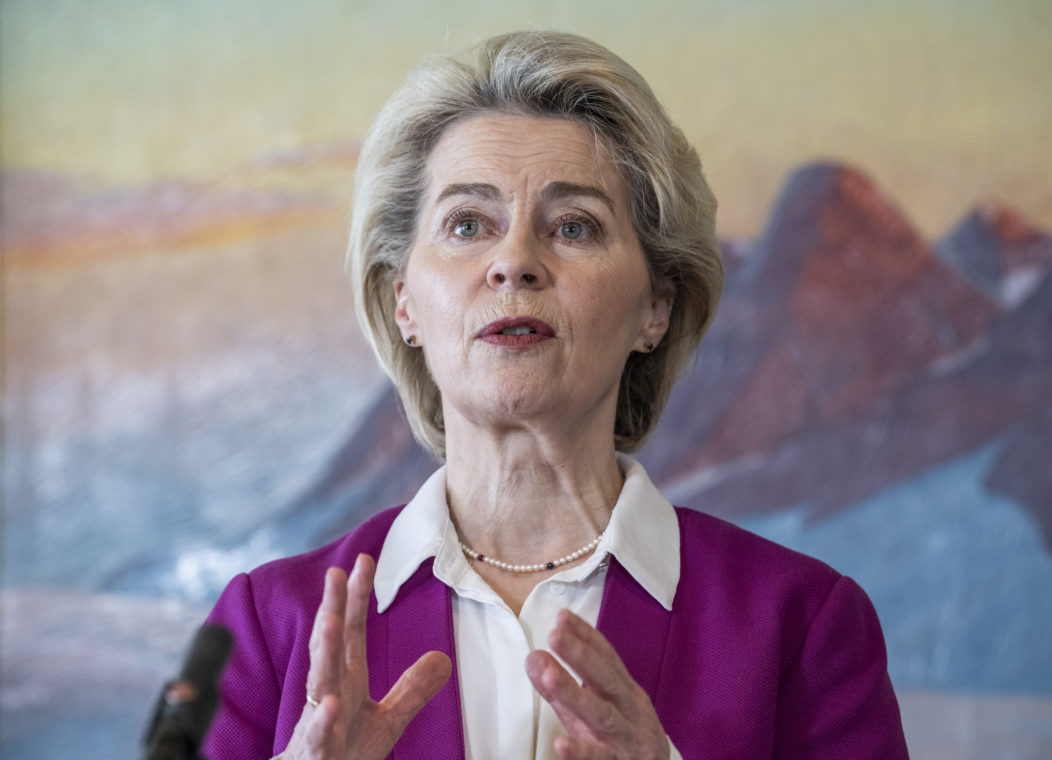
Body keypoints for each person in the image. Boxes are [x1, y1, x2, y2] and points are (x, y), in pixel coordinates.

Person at [202, 30, 909, 760]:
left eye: (574, 227)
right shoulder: (266, 628)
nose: (514, 262)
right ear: (404, 300)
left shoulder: (805, 625)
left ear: (656, 307)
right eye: (467, 225)